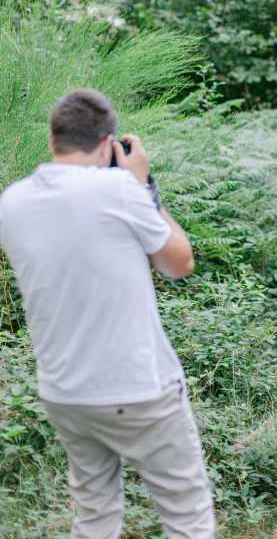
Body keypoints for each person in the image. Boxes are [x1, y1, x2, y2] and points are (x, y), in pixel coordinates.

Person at [0, 89, 215, 539]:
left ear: (52, 138)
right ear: (109, 143)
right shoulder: (119, 189)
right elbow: (179, 264)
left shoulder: (11, 202)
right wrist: (142, 185)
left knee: (94, 515)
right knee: (186, 515)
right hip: (139, 388)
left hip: (65, 392)